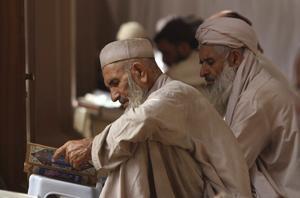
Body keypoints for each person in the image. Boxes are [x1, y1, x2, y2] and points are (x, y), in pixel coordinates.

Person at [53, 38, 252, 197]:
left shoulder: (175, 93)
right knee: (133, 138)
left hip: (222, 194)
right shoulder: (156, 98)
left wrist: (91, 147)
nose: (113, 96)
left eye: (115, 83)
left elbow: (143, 119)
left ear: (139, 72)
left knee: (136, 140)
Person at [196, 16, 300, 197]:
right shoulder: (254, 87)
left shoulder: (256, 99)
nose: (202, 72)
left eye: (210, 62)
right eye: (202, 63)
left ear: (235, 58)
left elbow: (229, 168)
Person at [154, 17, 205, 90]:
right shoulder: (205, 62)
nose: (164, 59)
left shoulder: (174, 75)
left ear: (184, 47)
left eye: (167, 53)